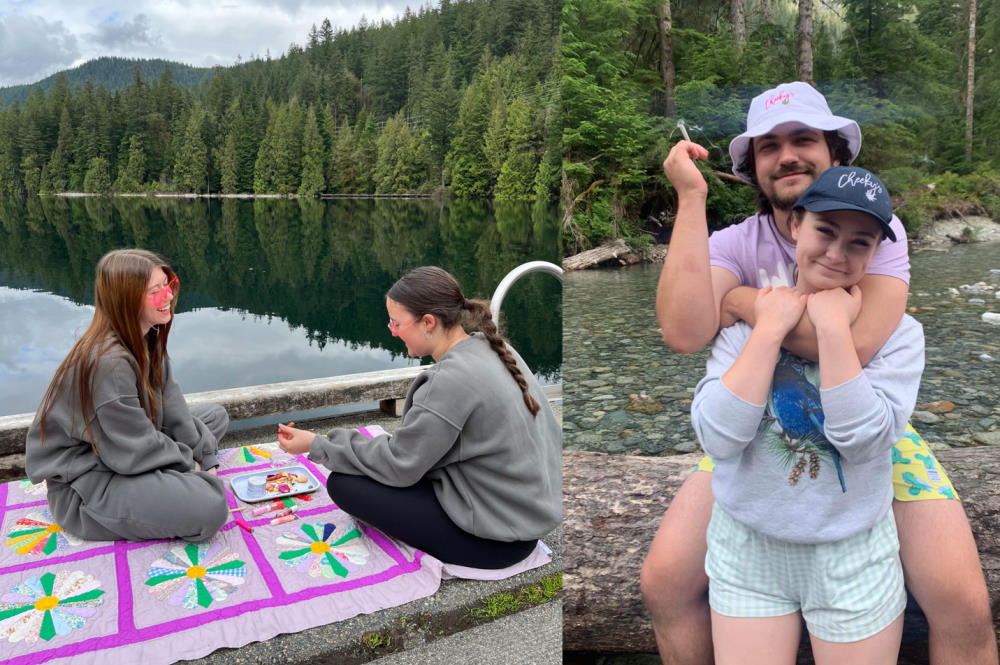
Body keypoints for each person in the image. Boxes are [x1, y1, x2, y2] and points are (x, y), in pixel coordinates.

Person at [642, 81, 996, 665]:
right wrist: (691, 201)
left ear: (835, 153)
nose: (787, 155)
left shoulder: (878, 231)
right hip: (755, 415)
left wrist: (743, 305)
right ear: (752, 167)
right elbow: (683, 332)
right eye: (769, 146)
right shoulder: (735, 241)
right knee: (662, 580)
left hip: (869, 420)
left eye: (804, 138)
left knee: (963, 604)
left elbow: (858, 343)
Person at [694, 166, 920, 663]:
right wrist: (769, 330)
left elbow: (863, 442)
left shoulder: (900, 336)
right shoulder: (750, 319)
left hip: (853, 556)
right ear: (796, 226)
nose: (838, 253)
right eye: (825, 231)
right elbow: (719, 438)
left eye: (860, 243)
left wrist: (834, 332)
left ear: (877, 252)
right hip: (746, 551)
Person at [276, 266, 561, 569]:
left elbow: (401, 463)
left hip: (494, 543)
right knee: (372, 467)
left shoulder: (449, 379)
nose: (392, 331)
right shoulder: (494, 348)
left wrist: (317, 445)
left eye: (396, 323)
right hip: (525, 517)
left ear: (428, 322)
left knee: (344, 484)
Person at [25, 249, 229, 542]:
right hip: (86, 481)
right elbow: (135, 449)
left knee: (215, 416)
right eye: (155, 291)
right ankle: (158, 489)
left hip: (121, 444)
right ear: (127, 299)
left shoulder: (147, 336)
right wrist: (194, 467)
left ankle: (173, 473)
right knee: (210, 505)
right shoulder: (107, 362)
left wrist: (206, 459)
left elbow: (172, 404)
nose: (168, 296)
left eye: (168, 286)